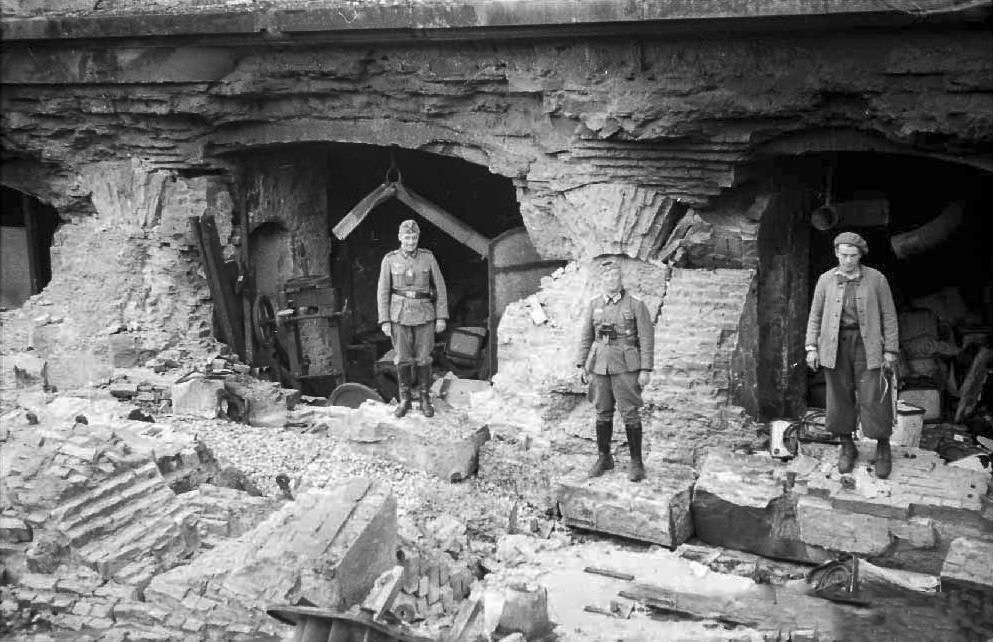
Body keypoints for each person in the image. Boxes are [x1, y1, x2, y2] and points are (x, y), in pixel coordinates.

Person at [805, 232, 899, 479]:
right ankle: (847, 446)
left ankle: (882, 447)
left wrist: (890, 349)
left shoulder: (876, 279)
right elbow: (815, 315)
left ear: (861, 255)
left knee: (874, 395)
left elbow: (889, 316)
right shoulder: (826, 280)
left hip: (867, 344)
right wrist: (811, 347)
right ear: (836, 253)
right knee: (838, 395)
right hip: (834, 345)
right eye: (843, 255)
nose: (848, 260)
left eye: (853, 255)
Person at [576, 259, 655, 482]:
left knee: (629, 412)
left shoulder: (635, 304)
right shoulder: (594, 304)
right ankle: (604, 458)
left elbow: (646, 338)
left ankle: (636, 462)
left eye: (615, 276)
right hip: (599, 366)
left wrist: (645, 369)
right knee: (602, 411)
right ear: (601, 280)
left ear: (621, 279)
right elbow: (586, 336)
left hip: (626, 366)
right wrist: (582, 364)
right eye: (607, 276)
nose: (611, 280)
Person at [378, 219, 448, 418]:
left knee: (424, 358)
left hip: (425, 315)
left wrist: (441, 317)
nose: (411, 241)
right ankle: (405, 400)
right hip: (398, 316)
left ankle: (425, 399)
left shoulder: (428, 258)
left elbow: (440, 288)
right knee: (402, 359)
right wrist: (384, 320)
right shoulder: (390, 260)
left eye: (414, 237)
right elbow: (382, 292)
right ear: (400, 238)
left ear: (418, 238)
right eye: (407, 237)